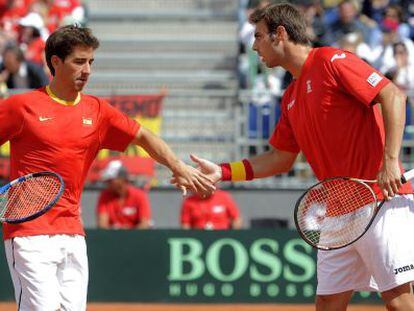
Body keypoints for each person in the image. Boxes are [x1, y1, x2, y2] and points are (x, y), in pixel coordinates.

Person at [182, 3, 414, 310]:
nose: (253, 45)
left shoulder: (332, 60)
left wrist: (388, 161)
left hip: (380, 200)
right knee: (328, 305)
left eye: (259, 36)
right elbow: (280, 158)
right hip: (338, 213)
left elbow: (392, 95)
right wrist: (223, 172)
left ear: (280, 34)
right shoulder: (290, 96)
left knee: (398, 302)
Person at [0, 25, 213, 311]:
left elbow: (143, 136)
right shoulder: (21, 106)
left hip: (73, 232)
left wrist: (178, 166)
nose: (87, 70)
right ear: (55, 62)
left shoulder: (98, 111)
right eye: (79, 61)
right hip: (29, 232)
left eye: (91, 62)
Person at [96, 160, 152, 229]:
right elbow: (102, 225)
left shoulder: (139, 195)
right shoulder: (104, 195)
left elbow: (144, 224)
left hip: (136, 238)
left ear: (122, 179)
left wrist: (127, 234)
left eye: (110, 180)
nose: (107, 183)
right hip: (111, 238)